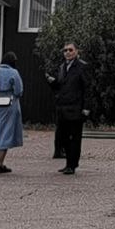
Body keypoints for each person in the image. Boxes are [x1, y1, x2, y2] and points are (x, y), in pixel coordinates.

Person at [48, 41, 91, 175]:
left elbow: (87, 88)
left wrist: (86, 107)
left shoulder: (82, 67)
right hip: (63, 108)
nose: (67, 52)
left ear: (76, 52)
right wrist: (52, 83)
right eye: (65, 50)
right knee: (63, 137)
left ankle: (72, 165)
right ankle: (68, 163)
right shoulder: (62, 67)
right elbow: (61, 86)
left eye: (70, 50)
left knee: (75, 138)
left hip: (75, 108)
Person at [0, 51, 24, 174]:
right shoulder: (14, 72)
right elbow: (19, 90)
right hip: (10, 104)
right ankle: (0, 164)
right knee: (7, 132)